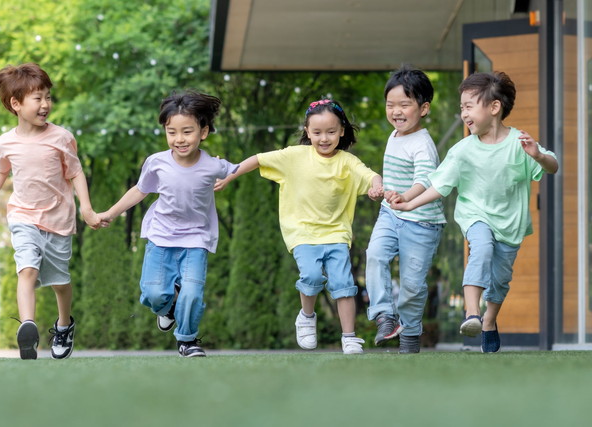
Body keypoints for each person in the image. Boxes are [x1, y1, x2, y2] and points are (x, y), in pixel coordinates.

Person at [391, 71, 558, 353]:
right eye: (461, 108)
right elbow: (438, 185)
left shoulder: (520, 144)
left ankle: (489, 320)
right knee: (480, 247)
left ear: (494, 108)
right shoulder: (462, 150)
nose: (464, 114)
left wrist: (538, 155)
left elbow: (552, 166)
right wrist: (409, 202)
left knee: (500, 279)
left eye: (469, 106)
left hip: (510, 223)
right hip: (475, 215)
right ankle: (472, 314)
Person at [215, 98, 383, 354]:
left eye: (330, 132)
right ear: (307, 132)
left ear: (342, 131)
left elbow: (370, 175)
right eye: (316, 133)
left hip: (337, 233)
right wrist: (229, 176)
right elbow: (258, 159)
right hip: (302, 232)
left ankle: (349, 337)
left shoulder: (347, 161)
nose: (324, 138)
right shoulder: (293, 156)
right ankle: (306, 316)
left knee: (343, 283)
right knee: (313, 276)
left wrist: (376, 186)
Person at [0, 63, 101, 360]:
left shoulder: (61, 138)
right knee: (26, 269)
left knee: (59, 282)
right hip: (23, 216)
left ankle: (64, 325)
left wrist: (88, 210)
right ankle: (28, 326)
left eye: (48, 97)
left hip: (58, 219)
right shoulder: (5, 143)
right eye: (37, 98)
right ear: (16, 104)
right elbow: (0, 173)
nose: (46, 105)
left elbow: (76, 173)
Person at [99, 91, 238, 358]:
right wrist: (111, 213)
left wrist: (231, 177)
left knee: (192, 293)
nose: (179, 139)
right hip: (161, 237)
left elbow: (237, 168)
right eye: (172, 132)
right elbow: (139, 191)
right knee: (152, 294)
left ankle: (187, 339)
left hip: (197, 239)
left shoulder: (212, 165)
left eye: (187, 132)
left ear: (204, 132)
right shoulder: (157, 162)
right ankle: (168, 309)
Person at [365, 65, 446, 354]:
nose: (396, 111)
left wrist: (405, 197)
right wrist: (382, 190)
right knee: (374, 255)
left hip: (422, 222)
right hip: (391, 213)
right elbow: (394, 179)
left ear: (423, 108)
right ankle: (384, 315)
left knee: (412, 285)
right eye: (390, 105)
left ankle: (410, 336)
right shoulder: (393, 136)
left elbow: (424, 180)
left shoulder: (423, 143)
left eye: (404, 105)